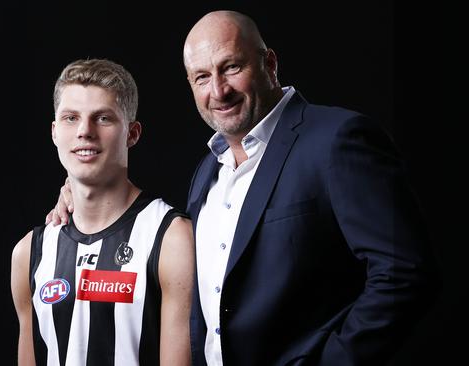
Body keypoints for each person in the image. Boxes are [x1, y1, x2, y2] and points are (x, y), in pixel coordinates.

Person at [47, 11, 439, 366]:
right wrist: (81, 194)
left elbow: (404, 274)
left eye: (231, 67)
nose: (218, 91)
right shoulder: (207, 172)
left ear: (269, 63)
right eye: (202, 77)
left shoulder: (336, 140)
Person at [11, 58, 194, 366]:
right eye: (71, 118)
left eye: (103, 118)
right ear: (55, 132)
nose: (85, 131)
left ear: (132, 133)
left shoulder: (171, 239)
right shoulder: (29, 252)